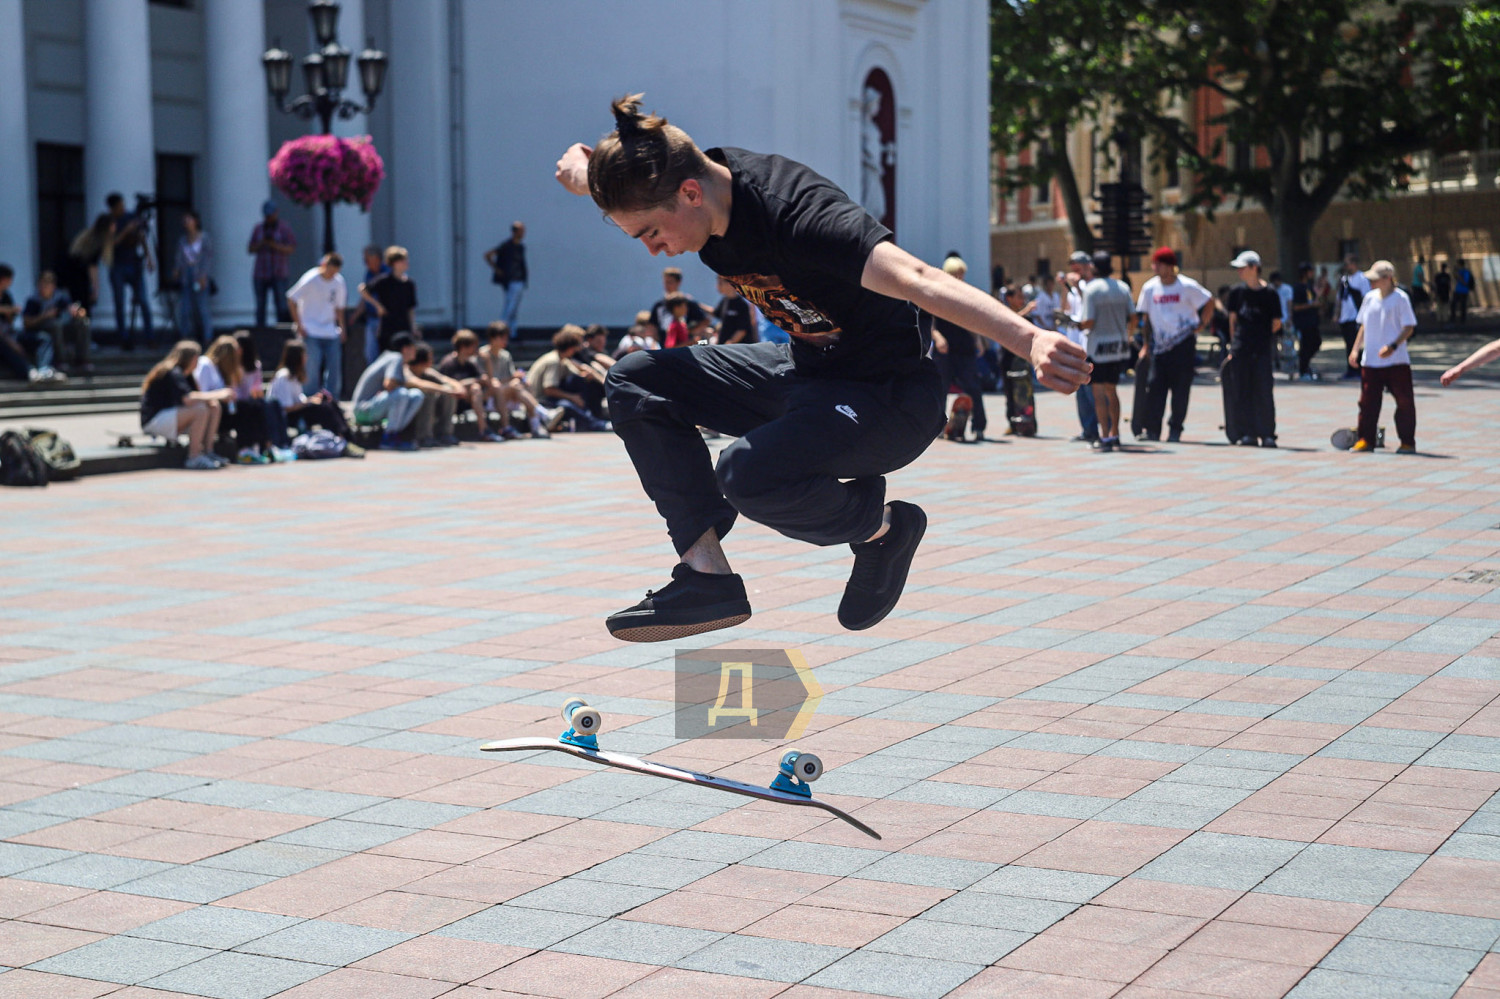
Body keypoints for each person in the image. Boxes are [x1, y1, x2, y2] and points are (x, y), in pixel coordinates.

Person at [554, 93, 1087, 641]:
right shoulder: (681, 184)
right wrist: (589, 174)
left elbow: (920, 279)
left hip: (889, 399)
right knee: (636, 379)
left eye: (650, 233)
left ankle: (883, 529)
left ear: (691, 193)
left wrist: (1029, 339)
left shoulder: (802, 217)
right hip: (808, 371)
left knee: (746, 474)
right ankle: (706, 578)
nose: (654, 250)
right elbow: (641, 176)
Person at [1135, 247, 1213, 442]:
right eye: (1154, 264)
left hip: (1183, 345)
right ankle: (1152, 430)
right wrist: (1146, 345)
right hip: (1160, 347)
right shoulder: (1149, 288)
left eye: (1159, 264)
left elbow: (1209, 301)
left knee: (1180, 389)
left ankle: (1175, 429)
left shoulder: (1186, 285)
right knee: (1155, 387)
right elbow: (1146, 318)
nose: (1155, 268)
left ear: (1170, 266)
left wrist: (1202, 324)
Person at [1349, 260, 1418, 454]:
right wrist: (1355, 349)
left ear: (1388, 278)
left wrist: (1393, 346)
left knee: (1404, 401)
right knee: (1367, 403)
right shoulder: (1369, 298)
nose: (1371, 282)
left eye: (1375, 279)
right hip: (1371, 361)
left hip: (1396, 361)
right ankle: (1365, 439)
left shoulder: (1400, 298)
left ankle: (1407, 441)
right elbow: (1364, 325)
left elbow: (1409, 327)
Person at [139, 340, 229, 469]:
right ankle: (193, 457)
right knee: (200, 410)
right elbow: (188, 399)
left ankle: (208, 451)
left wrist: (212, 399)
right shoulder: (172, 372)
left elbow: (197, 396)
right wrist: (219, 394)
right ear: (191, 358)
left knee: (213, 407)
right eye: (196, 358)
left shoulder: (187, 374)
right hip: (155, 420)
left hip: (170, 417)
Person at [1223, 250, 1281, 447]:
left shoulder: (1270, 293)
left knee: (1263, 390)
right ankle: (1247, 432)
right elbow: (1232, 321)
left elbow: (1276, 323)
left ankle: (1267, 433)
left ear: (1254, 268)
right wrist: (1234, 345)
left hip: (1262, 349)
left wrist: (1262, 336)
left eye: (1243, 268)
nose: (1239, 271)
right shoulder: (1236, 292)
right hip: (1241, 349)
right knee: (1242, 390)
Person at [1078, 251, 1135, 451]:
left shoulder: (1092, 289)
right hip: (1117, 347)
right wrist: (1128, 335)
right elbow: (1133, 317)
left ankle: (1104, 435)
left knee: (1099, 393)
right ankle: (1116, 433)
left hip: (1098, 348)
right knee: (1112, 391)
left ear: (1094, 267)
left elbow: (1089, 321)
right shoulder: (1122, 287)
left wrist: (1077, 325)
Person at [931, 254, 986, 442]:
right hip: (945, 349)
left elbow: (972, 321)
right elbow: (930, 321)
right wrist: (937, 337)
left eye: (961, 274)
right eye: (955, 274)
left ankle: (979, 426)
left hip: (964, 348)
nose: (959, 277)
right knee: (941, 388)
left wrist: (978, 340)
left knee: (973, 387)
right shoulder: (937, 293)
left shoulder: (967, 293)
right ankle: (938, 427)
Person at [195, 334, 274, 463]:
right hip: (210, 409)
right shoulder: (206, 365)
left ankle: (259, 447)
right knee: (245, 408)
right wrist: (221, 395)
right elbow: (201, 392)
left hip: (223, 409)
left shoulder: (220, 369)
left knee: (255, 405)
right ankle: (244, 449)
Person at [268, 339, 358, 450]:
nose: (306, 357)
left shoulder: (294, 376)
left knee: (330, 402)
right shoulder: (284, 377)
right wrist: (309, 402)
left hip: (296, 411)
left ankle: (347, 437)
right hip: (286, 417)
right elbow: (286, 407)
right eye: (304, 355)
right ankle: (342, 440)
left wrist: (313, 398)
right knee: (324, 409)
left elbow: (299, 399)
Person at [285, 253, 348, 400]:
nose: (332, 275)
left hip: (330, 331)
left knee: (334, 367)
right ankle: (310, 399)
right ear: (324, 265)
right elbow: (291, 298)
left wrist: (342, 328)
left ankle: (332, 399)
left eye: (335, 272)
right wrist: (299, 324)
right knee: (312, 367)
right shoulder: (310, 278)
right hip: (310, 330)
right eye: (330, 271)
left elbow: (339, 307)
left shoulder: (339, 282)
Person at [527, 324, 610, 430]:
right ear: (570, 348)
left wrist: (588, 375)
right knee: (567, 405)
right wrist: (572, 397)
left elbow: (578, 373)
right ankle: (595, 424)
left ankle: (594, 418)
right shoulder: (553, 361)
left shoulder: (563, 359)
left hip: (548, 396)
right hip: (540, 399)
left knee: (582, 383)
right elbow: (548, 389)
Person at [480, 321, 555, 438]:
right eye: (502, 338)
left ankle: (536, 425)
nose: (505, 341)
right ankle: (541, 415)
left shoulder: (505, 355)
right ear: (493, 338)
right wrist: (512, 379)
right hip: (489, 394)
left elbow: (510, 377)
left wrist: (518, 378)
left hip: (506, 391)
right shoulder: (483, 355)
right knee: (512, 386)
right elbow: (488, 381)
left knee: (523, 385)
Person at [352, 333, 424, 450]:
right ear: (405, 349)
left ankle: (396, 434)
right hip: (363, 410)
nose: (415, 351)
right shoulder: (396, 357)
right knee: (401, 394)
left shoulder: (392, 358)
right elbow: (389, 384)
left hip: (373, 407)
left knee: (416, 395)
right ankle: (388, 438)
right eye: (413, 347)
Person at [104, 192, 154, 349]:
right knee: (119, 303)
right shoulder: (109, 222)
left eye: (123, 205)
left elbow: (141, 237)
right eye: (119, 206)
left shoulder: (132, 217)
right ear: (112, 208)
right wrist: (126, 230)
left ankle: (150, 337)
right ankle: (123, 338)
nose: (123, 208)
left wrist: (149, 257)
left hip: (134, 264)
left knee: (143, 301)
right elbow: (110, 243)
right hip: (117, 266)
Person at [438, 328, 505, 442]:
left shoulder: (470, 363)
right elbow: (451, 383)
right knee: (475, 388)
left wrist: (487, 361)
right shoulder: (449, 363)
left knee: (492, 386)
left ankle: (504, 427)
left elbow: (487, 381)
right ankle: (483, 429)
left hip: (471, 399)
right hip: (454, 400)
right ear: (464, 347)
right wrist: (474, 381)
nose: (476, 349)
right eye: (474, 346)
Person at [22, 270, 90, 375]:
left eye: (47, 285)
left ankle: (82, 359)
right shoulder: (33, 301)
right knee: (55, 324)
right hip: (40, 330)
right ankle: (61, 360)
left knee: (84, 323)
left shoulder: (60, 297)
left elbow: (75, 309)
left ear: (53, 286)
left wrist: (78, 313)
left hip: (63, 330)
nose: (44, 288)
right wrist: (45, 316)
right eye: (42, 285)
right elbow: (26, 323)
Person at [0, 264, 56, 383]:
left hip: (11, 334)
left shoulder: (6, 296)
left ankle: (44, 369)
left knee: (43, 338)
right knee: (8, 347)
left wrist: (10, 314)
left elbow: (10, 322)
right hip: (3, 339)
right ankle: (29, 371)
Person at [407, 343, 466, 447]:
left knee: (449, 393)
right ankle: (424, 436)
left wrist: (458, 388)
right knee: (429, 394)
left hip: (428, 413)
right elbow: (420, 383)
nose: (432, 360)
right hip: (409, 412)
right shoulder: (406, 370)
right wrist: (445, 390)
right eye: (430, 358)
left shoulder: (427, 371)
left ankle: (445, 433)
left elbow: (445, 379)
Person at [248, 201, 296, 329]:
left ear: (276, 213)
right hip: (261, 273)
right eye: (266, 216)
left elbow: (291, 248)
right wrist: (262, 243)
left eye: (271, 215)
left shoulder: (284, 228)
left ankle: (282, 330)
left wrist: (274, 245)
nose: (269, 218)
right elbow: (250, 248)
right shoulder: (258, 229)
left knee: (281, 304)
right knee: (260, 304)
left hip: (279, 273)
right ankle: (260, 331)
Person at [361, 246, 419, 351]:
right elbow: (363, 290)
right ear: (394, 263)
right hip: (387, 327)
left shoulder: (409, 284)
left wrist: (413, 327)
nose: (406, 263)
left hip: (404, 327)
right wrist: (378, 306)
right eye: (402, 261)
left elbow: (411, 308)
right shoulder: (384, 281)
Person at [172, 210, 214, 344]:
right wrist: (176, 270)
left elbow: (207, 258)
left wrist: (203, 276)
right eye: (185, 221)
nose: (186, 223)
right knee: (185, 308)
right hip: (186, 277)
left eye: (189, 220)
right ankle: (186, 336)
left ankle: (207, 337)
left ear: (196, 221)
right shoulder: (182, 240)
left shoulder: (204, 238)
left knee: (202, 308)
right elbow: (179, 258)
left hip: (199, 275)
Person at [485, 221, 528, 330]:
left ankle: (512, 331)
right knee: (509, 307)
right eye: (521, 231)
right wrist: (497, 269)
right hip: (510, 280)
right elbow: (488, 255)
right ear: (515, 232)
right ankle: (500, 329)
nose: (523, 233)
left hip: (519, 279)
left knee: (514, 308)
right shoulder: (507, 246)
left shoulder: (520, 247)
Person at [350, 244, 388, 364]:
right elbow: (365, 296)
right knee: (370, 355)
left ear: (376, 258)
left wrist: (378, 306)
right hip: (371, 319)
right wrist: (355, 315)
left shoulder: (388, 273)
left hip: (386, 320)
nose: (365, 263)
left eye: (366, 260)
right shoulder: (369, 273)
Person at [647, 266, 709, 340]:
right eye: (665, 282)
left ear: (678, 282)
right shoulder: (659, 305)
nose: (666, 285)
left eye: (670, 282)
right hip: (666, 344)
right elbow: (652, 325)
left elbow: (705, 321)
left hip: (684, 343)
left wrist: (689, 332)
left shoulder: (687, 302)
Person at [1336, 254, 1371, 379]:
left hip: (1356, 317)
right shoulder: (1344, 279)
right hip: (1345, 317)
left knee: (1356, 344)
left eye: (1347, 264)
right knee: (1348, 344)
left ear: (1354, 264)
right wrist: (1336, 314)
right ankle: (1350, 369)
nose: (1345, 267)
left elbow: (1366, 297)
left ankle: (1359, 369)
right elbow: (1339, 298)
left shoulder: (1362, 278)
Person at [1290, 263, 1323, 381]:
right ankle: (1303, 368)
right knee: (1306, 345)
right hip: (1303, 322)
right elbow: (1295, 307)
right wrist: (1311, 305)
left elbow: (1314, 300)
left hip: (1312, 321)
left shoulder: (1309, 287)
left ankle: (1305, 364)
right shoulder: (1298, 288)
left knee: (1316, 342)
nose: (1312, 274)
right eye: (1310, 271)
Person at [712, 276, 757, 345]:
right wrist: (698, 306)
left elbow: (742, 329)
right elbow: (716, 313)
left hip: (738, 347)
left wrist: (730, 343)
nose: (717, 286)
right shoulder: (725, 301)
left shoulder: (741, 305)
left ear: (729, 284)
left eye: (720, 283)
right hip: (724, 345)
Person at [1454, 261, 1474, 325]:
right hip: (1457, 290)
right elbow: (1456, 279)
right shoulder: (1459, 272)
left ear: (1460, 264)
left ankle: (1463, 319)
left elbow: (1465, 282)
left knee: (1463, 305)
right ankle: (1454, 317)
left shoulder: (1465, 272)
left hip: (1463, 291)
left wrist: (1459, 276)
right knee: (1453, 304)